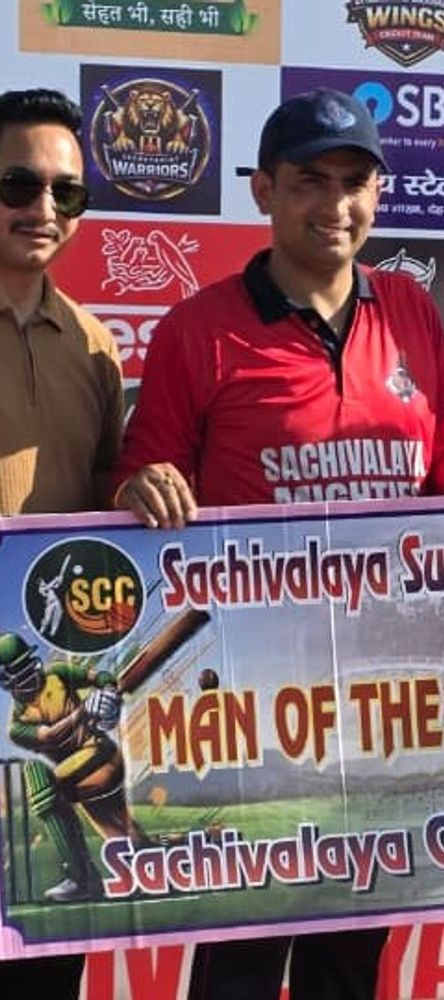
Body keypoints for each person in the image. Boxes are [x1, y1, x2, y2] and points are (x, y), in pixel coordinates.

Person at [110, 87, 444, 1000]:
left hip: (386, 689)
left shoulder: (409, 308)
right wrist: (142, 487)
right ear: (264, 191)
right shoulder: (197, 328)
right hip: (253, 694)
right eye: (310, 181)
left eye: (354, 182)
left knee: (353, 946)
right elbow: (143, 473)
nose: (335, 204)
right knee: (245, 947)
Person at [0, 86, 122, 996]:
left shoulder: (94, 345)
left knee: (43, 969)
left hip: (35, 705)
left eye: (66, 192)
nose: (44, 208)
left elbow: (107, 507)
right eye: (19, 184)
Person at [0, 632, 142, 902]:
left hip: (101, 755)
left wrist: (108, 695)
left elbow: (100, 677)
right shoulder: (17, 725)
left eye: (28, 666)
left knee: (39, 778)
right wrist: (85, 710)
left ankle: (81, 880)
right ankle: (154, 862)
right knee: (122, 836)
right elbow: (51, 735)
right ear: (7, 680)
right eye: (20, 673)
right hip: (76, 776)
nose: (29, 676)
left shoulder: (57, 673)